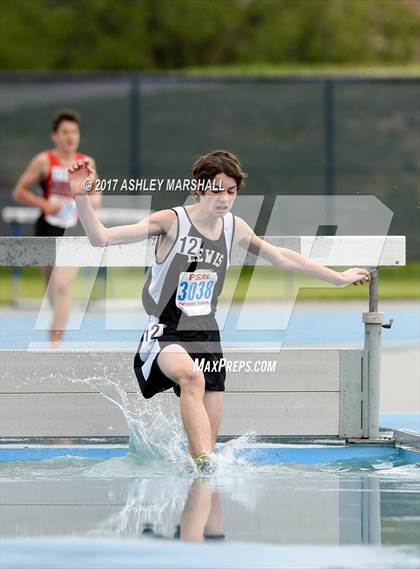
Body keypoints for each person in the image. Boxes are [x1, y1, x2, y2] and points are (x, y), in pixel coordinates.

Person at [68, 150, 370, 472]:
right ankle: (202, 464)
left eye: (231, 191)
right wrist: (81, 197)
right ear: (199, 188)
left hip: (207, 335)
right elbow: (101, 238)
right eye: (216, 189)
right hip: (165, 332)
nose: (224, 199)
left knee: (207, 451)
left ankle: (197, 493)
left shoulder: (234, 227)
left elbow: (281, 256)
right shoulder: (172, 222)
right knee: (192, 379)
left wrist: (338, 277)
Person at [12, 109, 100, 345]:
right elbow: (19, 191)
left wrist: (83, 200)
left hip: (75, 230)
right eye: (65, 132)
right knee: (52, 290)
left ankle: (55, 341)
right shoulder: (44, 161)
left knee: (61, 286)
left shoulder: (86, 162)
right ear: (55, 136)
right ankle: (56, 331)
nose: (70, 136)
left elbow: (97, 197)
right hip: (47, 228)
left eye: (74, 132)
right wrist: (45, 204)